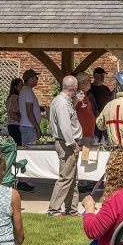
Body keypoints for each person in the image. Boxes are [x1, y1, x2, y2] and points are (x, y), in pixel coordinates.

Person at [47, 75, 83, 217]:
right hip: (66, 143)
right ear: (74, 88)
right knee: (65, 178)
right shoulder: (62, 102)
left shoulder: (64, 101)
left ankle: (72, 209)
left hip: (67, 142)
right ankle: (54, 209)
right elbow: (65, 126)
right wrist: (72, 144)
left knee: (73, 179)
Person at [75, 72, 98, 146]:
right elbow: (72, 109)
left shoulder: (84, 94)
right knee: (84, 155)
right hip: (83, 133)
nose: (91, 83)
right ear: (85, 82)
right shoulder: (78, 94)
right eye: (89, 81)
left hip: (87, 133)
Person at [6, 78, 24, 146]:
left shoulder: (14, 97)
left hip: (14, 126)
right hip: (15, 126)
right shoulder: (14, 97)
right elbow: (12, 113)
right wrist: (23, 121)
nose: (23, 87)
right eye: (21, 85)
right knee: (20, 145)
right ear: (16, 87)